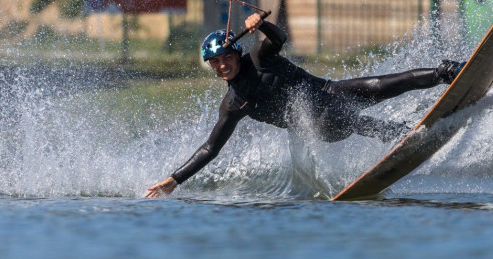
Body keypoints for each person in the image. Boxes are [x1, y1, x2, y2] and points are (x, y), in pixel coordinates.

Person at [144, 13, 464, 198]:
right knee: (341, 118)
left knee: (384, 84)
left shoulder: (259, 58)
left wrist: (262, 26)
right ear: (211, 66)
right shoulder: (233, 104)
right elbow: (210, 148)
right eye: (216, 62)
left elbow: (279, 38)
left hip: (331, 92)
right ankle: (398, 134)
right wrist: (175, 179)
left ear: (237, 55)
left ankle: (447, 72)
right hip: (321, 125)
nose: (223, 65)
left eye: (227, 57)